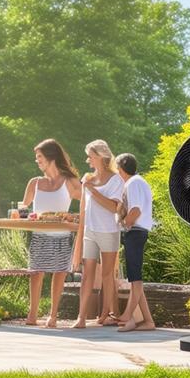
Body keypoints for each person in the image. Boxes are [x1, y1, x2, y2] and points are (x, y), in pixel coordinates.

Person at [21, 139, 81, 327]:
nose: (37, 161)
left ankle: (53, 315)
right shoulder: (35, 183)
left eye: (39, 157)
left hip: (62, 237)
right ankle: (32, 315)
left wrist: (75, 216)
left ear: (50, 157)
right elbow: (24, 207)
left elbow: (88, 202)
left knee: (59, 273)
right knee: (36, 273)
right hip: (39, 236)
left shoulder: (70, 182)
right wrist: (25, 213)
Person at [72, 139, 124, 328]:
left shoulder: (115, 179)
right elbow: (84, 208)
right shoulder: (88, 179)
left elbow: (113, 207)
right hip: (90, 232)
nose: (88, 160)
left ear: (101, 157)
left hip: (108, 232)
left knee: (108, 274)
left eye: (91, 156)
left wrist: (92, 190)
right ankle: (81, 317)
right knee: (87, 275)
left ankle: (105, 315)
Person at [115, 153, 155, 332]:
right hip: (137, 232)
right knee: (134, 277)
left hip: (136, 231)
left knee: (135, 278)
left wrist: (124, 223)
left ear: (121, 168)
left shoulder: (133, 183)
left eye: (117, 168)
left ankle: (127, 317)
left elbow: (136, 210)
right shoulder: (136, 182)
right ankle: (148, 321)